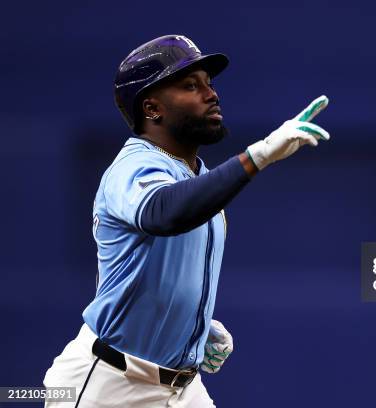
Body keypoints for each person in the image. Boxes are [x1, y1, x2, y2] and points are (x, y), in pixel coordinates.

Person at [43, 34, 330, 408]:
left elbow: (155, 269)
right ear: (152, 109)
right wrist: (256, 157)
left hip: (181, 389)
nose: (211, 95)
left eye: (209, 84)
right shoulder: (133, 166)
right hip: (111, 384)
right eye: (190, 86)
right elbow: (166, 214)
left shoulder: (196, 176)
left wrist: (191, 324)